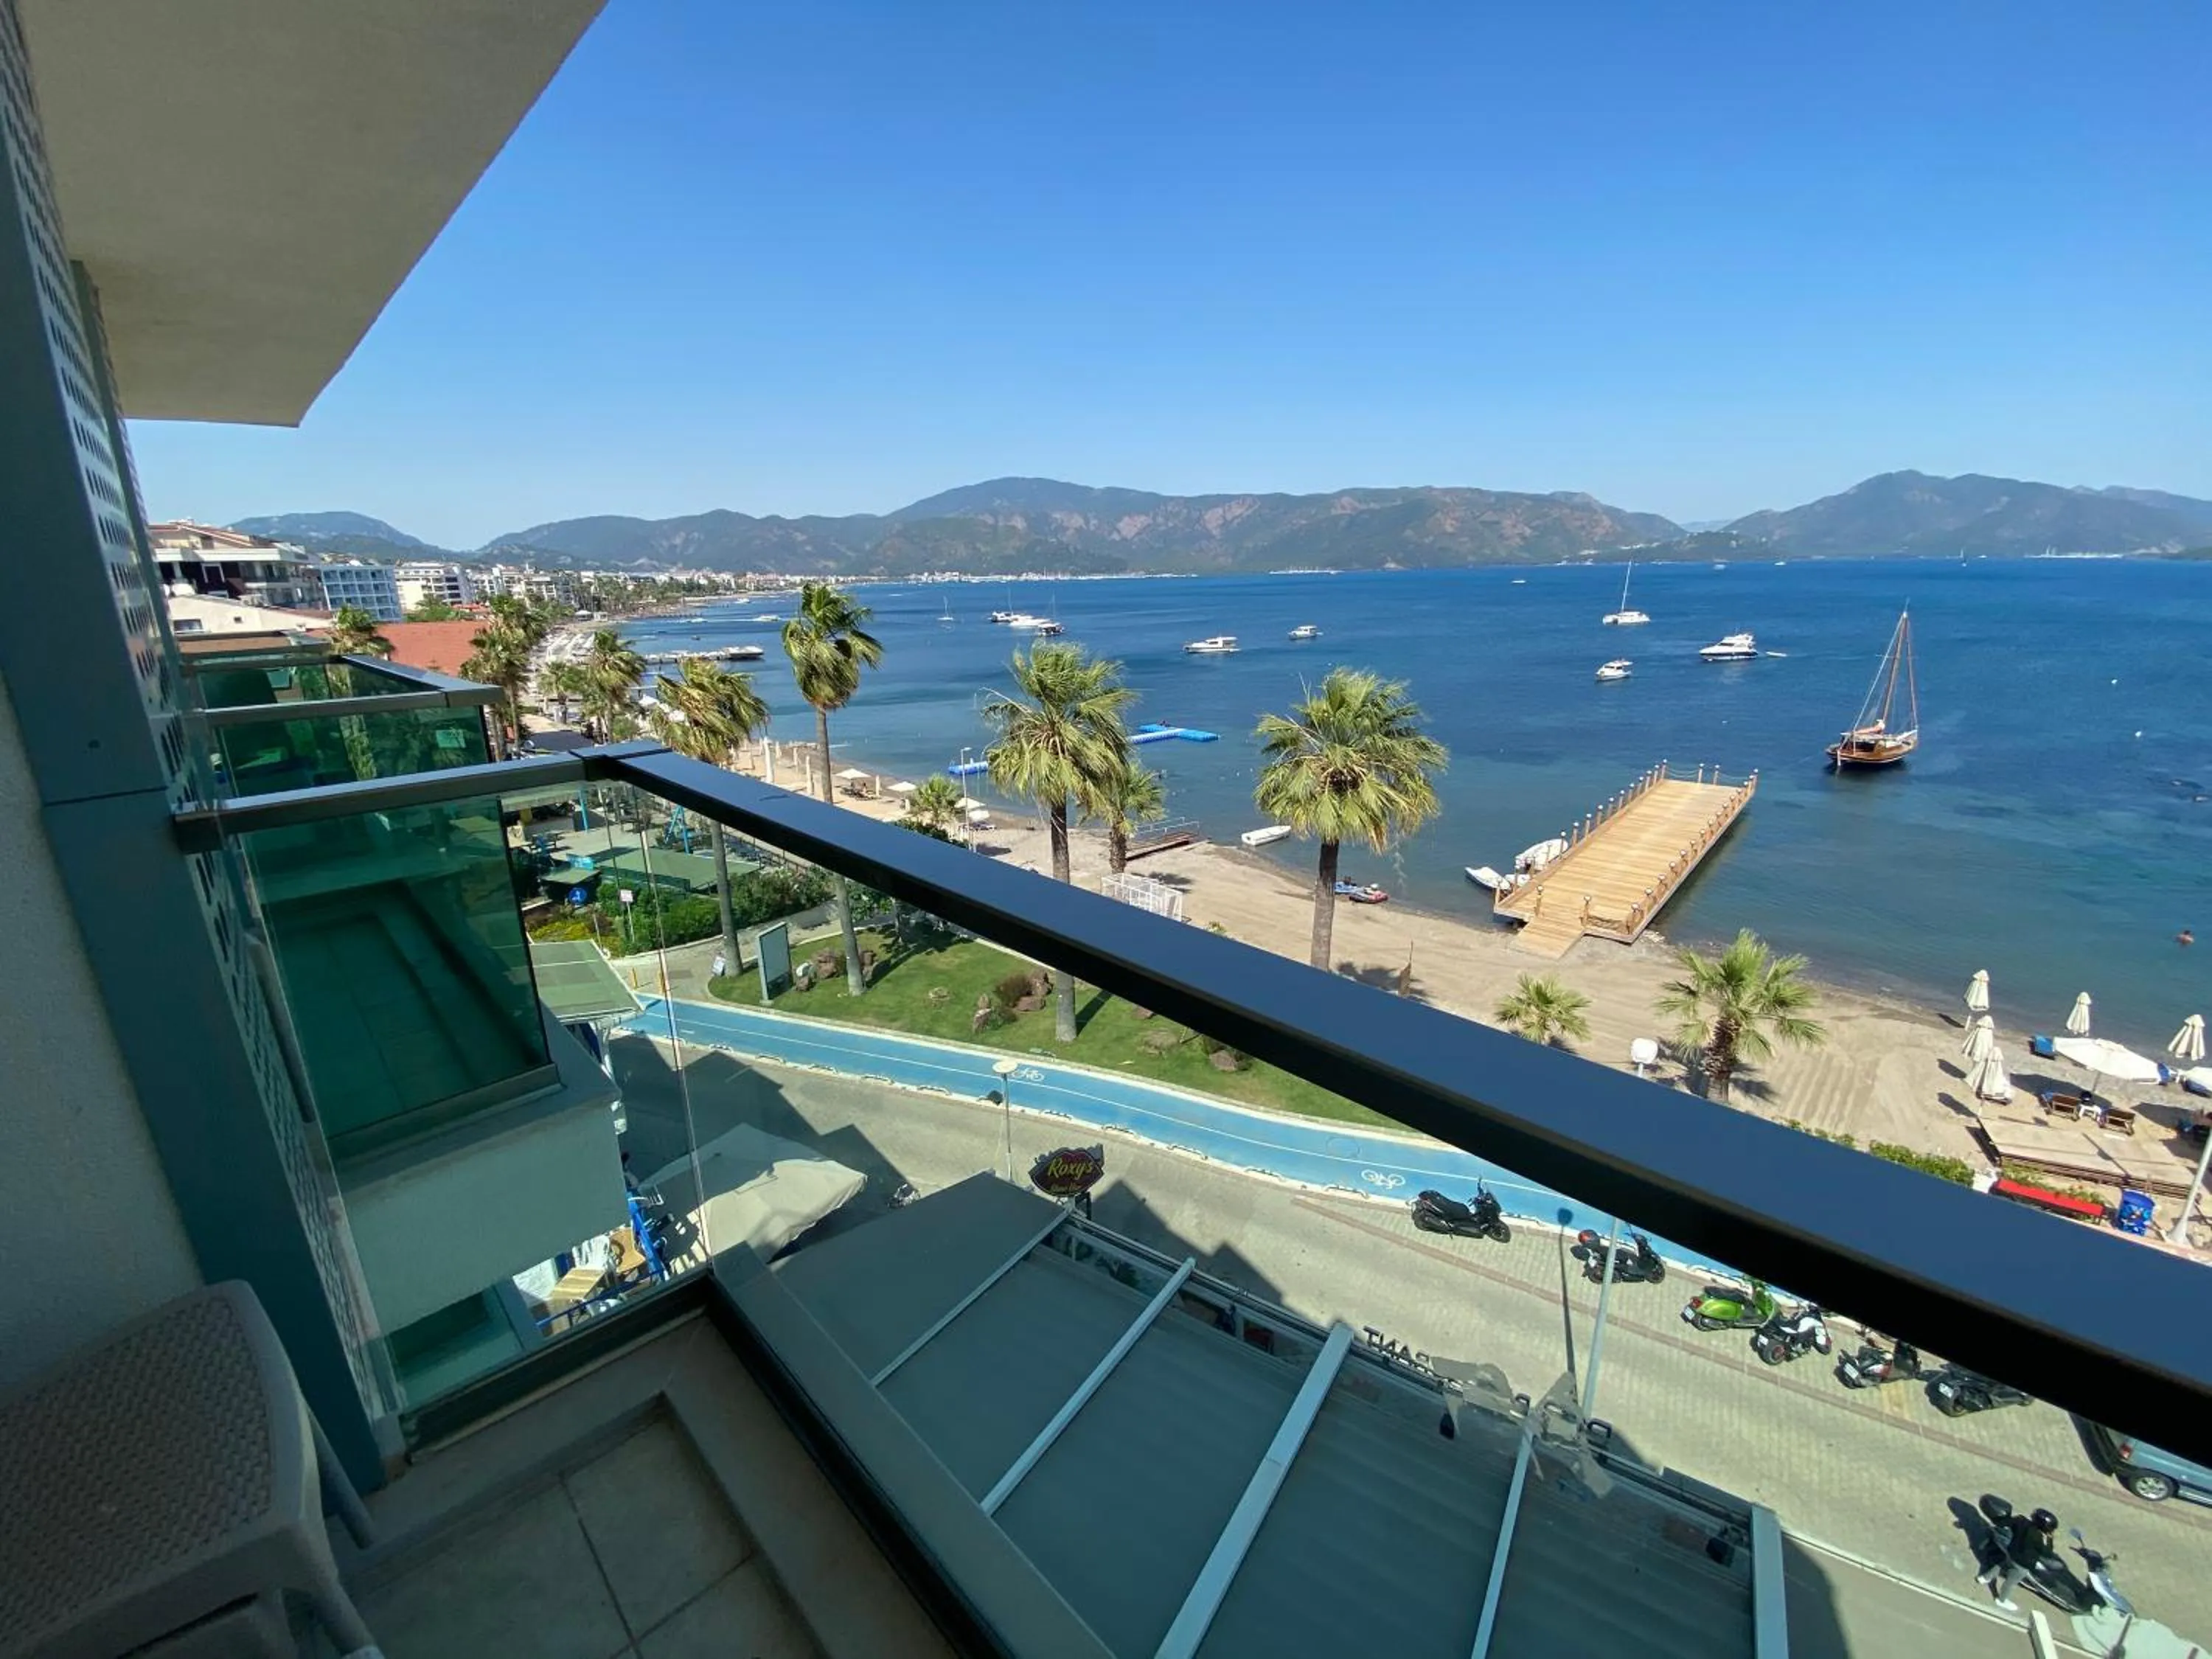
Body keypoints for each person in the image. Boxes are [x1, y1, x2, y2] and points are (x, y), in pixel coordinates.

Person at [1977, 1506, 2055, 1612]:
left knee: (2003, 1564)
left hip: (2011, 1554)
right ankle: (2002, 1600)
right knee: (2011, 1582)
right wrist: (2050, 1539)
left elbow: (2003, 1523)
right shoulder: (2037, 1537)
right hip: (2023, 1564)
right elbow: (2047, 1553)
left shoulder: (2020, 1520)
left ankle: (1985, 1578)